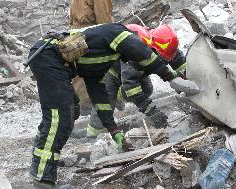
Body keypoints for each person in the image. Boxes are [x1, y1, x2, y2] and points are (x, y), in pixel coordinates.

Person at [29, 23, 180, 188]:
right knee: (60, 118)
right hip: (48, 57)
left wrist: (114, 131)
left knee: (71, 110)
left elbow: (100, 99)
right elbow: (141, 51)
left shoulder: (101, 63)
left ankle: (42, 159)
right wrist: (170, 77)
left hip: (53, 62)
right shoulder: (117, 32)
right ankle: (43, 180)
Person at [86, 24, 187, 136]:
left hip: (135, 70)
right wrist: (152, 113)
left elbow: (177, 60)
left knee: (147, 89)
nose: (161, 62)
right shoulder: (134, 52)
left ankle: (120, 96)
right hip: (110, 70)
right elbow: (130, 87)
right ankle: (93, 135)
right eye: (160, 58)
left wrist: (186, 80)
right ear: (152, 48)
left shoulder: (163, 44)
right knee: (106, 105)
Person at [69, 0, 114, 138]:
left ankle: (73, 121)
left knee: (80, 80)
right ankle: (94, 123)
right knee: (100, 82)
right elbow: (105, 22)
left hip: (79, 39)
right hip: (91, 40)